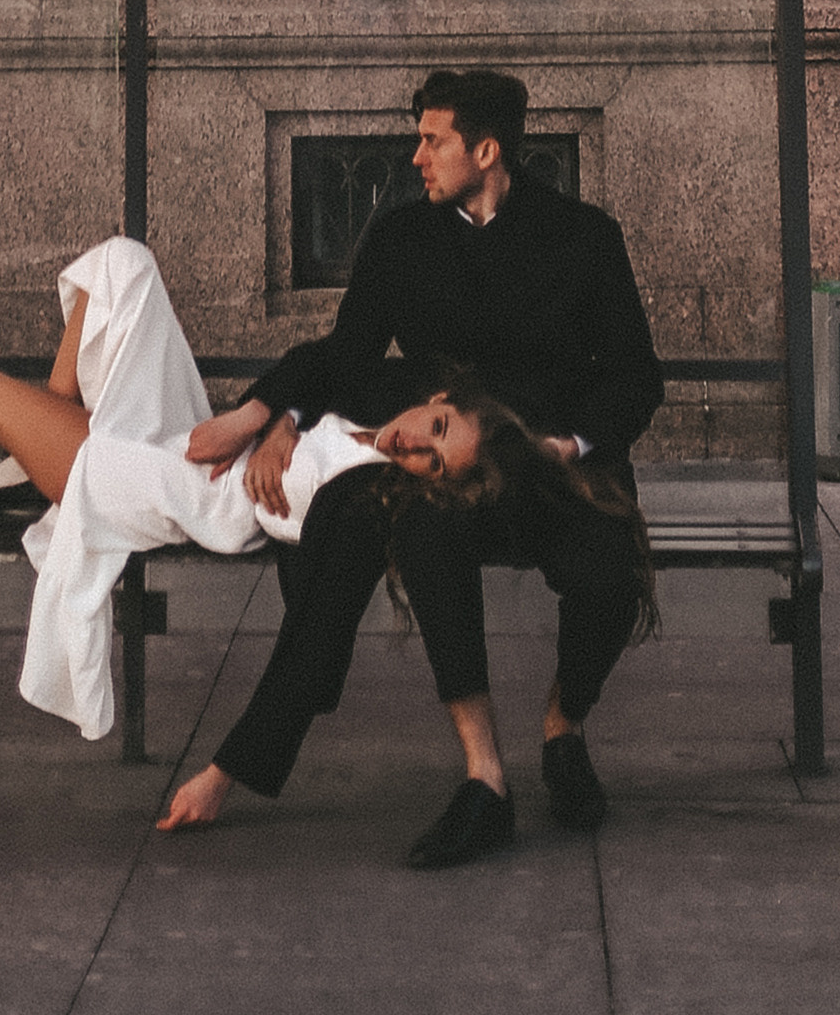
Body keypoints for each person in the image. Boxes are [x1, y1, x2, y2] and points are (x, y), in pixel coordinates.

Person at [0, 234, 521, 750]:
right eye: (436, 430)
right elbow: (317, 361)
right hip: (194, 442)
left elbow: (317, 563)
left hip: (162, 487)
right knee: (123, 262)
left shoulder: (368, 494)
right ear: (439, 402)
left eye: (432, 465)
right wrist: (277, 424)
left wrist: (285, 462)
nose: (416, 447)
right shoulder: (381, 409)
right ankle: (26, 466)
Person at [161, 65, 664, 869]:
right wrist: (285, 418)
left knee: (607, 572)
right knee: (399, 533)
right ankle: (483, 777)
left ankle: (563, 727)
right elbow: (344, 353)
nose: (416, 157)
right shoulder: (403, 238)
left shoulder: (583, 236)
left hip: (555, 467)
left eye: (433, 140)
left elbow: (637, 378)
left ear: (488, 148)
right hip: (441, 469)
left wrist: (570, 445)